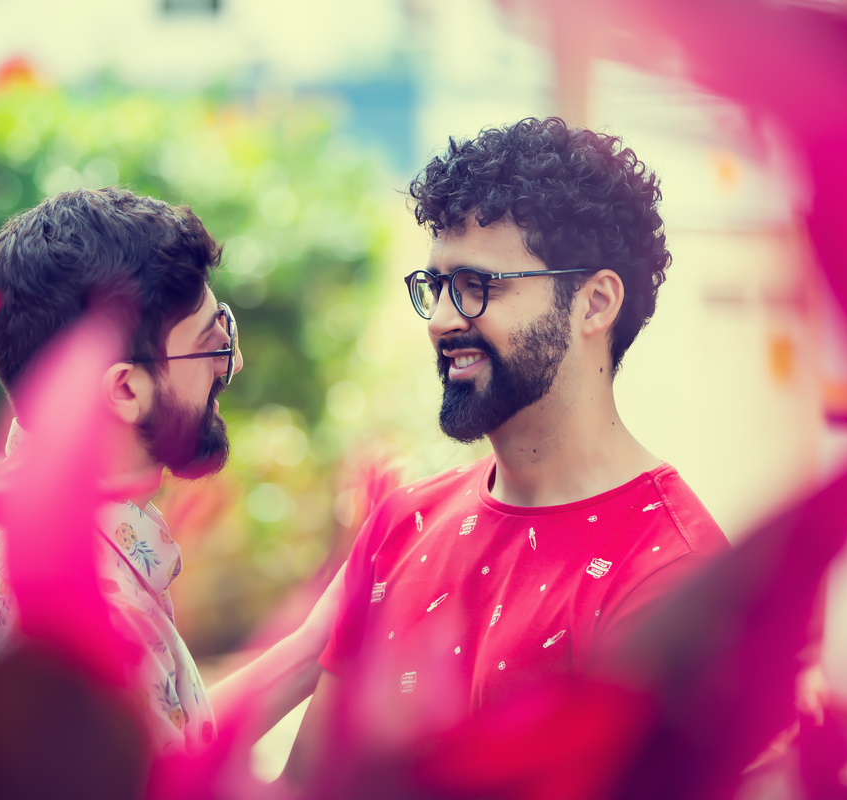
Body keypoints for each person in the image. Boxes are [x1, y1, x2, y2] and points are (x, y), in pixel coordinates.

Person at [285, 118, 730, 783]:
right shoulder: (398, 527)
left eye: (477, 286)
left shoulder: (671, 580)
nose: (440, 320)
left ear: (593, 302)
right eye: (434, 287)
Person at [0, 187, 340, 752]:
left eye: (227, 327)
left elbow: (161, 740)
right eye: (212, 343)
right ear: (124, 389)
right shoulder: (96, 622)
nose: (234, 362)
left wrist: (318, 640)